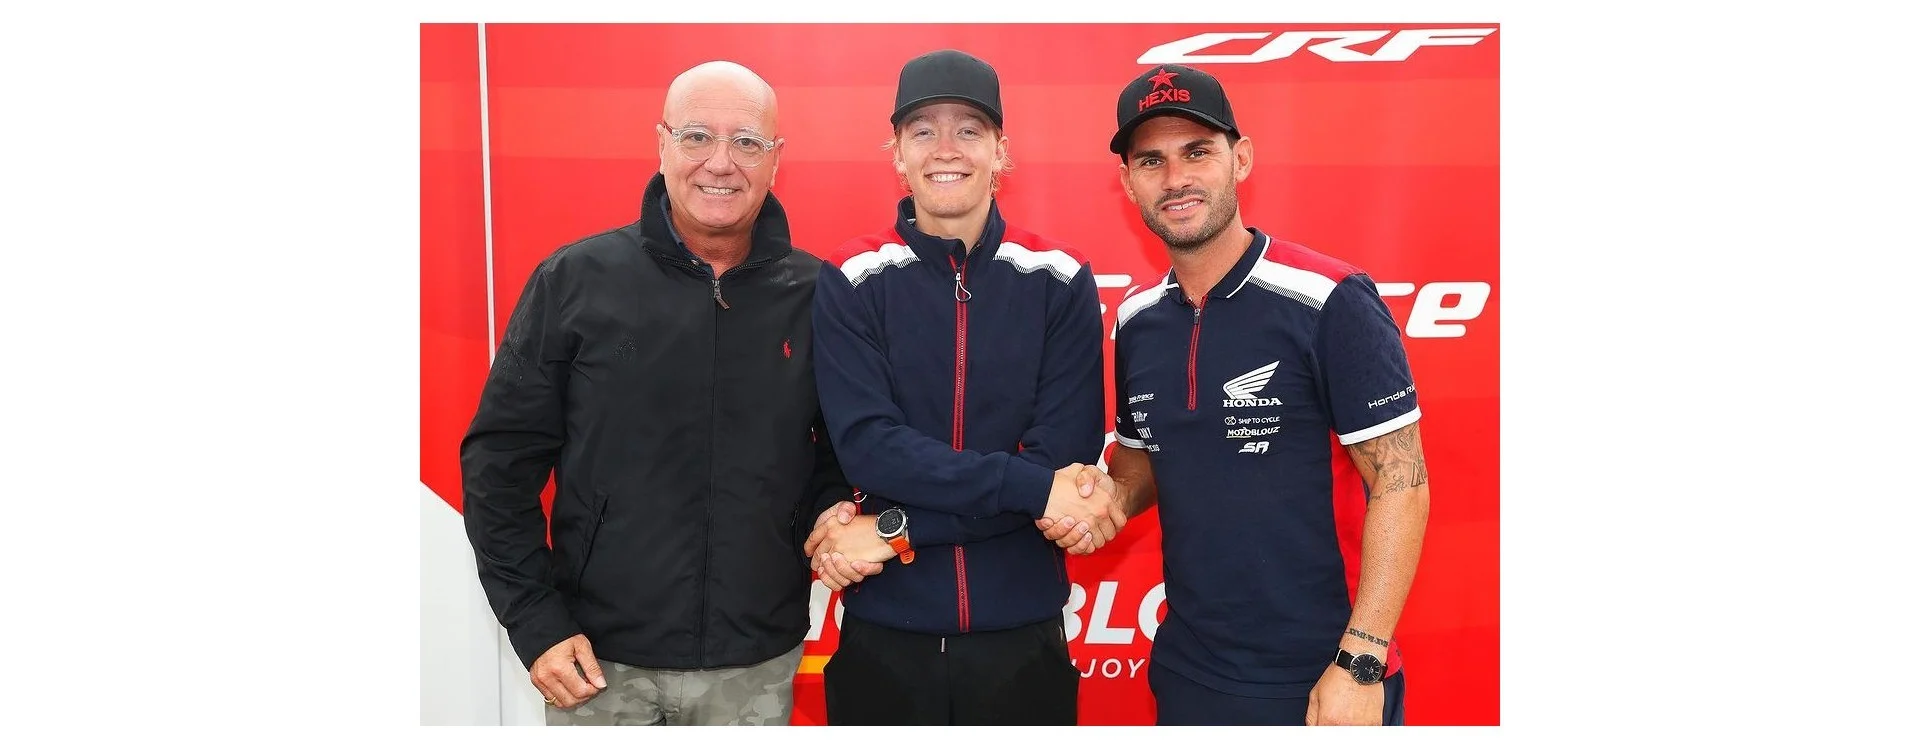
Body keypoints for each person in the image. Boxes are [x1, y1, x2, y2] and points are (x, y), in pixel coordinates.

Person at [459, 60, 860, 726]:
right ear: (662, 143)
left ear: (776, 158)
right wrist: (535, 621)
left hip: (755, 667)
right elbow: (499, 465)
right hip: (596, 666)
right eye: (697, 136)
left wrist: (830, 512)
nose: (720, 163)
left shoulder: (819, 295)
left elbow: (838, 456)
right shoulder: (575, 281)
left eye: (747, 142)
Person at [1044, 63, 1432, 726]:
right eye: (1151, 161)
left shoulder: (1329, 300)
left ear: (1241, 158)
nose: (1176, 179)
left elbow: (1403, 482)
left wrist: (1361, 661)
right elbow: (1141, 466)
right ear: (1128, 181)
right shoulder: (1136, 319)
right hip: (1190, 671)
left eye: (1198, 152)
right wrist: (1100, 505)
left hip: (1322, 676)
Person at [801, 48, 1115, 725]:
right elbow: (872, 451)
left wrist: (893, 532)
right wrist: (1033, 489)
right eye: (923, 130)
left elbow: (1060, 460)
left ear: (1002, 151)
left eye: (969, 129)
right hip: (885, 639)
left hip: (1023, 641)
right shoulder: (851, 277)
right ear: (897, 153)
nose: (947, 148)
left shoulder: (1061, 278)